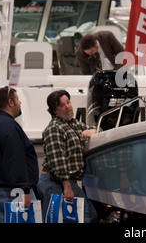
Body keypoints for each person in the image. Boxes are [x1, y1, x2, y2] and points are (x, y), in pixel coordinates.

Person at [37, 90, 98, 223]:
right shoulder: (54, 128)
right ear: (54, 111)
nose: (68, 106)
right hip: (55, 181)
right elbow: (57, 161)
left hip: (63, 181)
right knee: (87, 216)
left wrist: (92, 131)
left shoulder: (73, 124)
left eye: (68, 102)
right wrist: (67, 187)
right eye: (62, 105)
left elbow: (97, 130)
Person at [0, 86, 39, 223]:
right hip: (12, 192)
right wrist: (23, 190)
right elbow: (15, 161)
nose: (20, 103)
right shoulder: (9, 127)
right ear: (10, 102)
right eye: (18, 99)